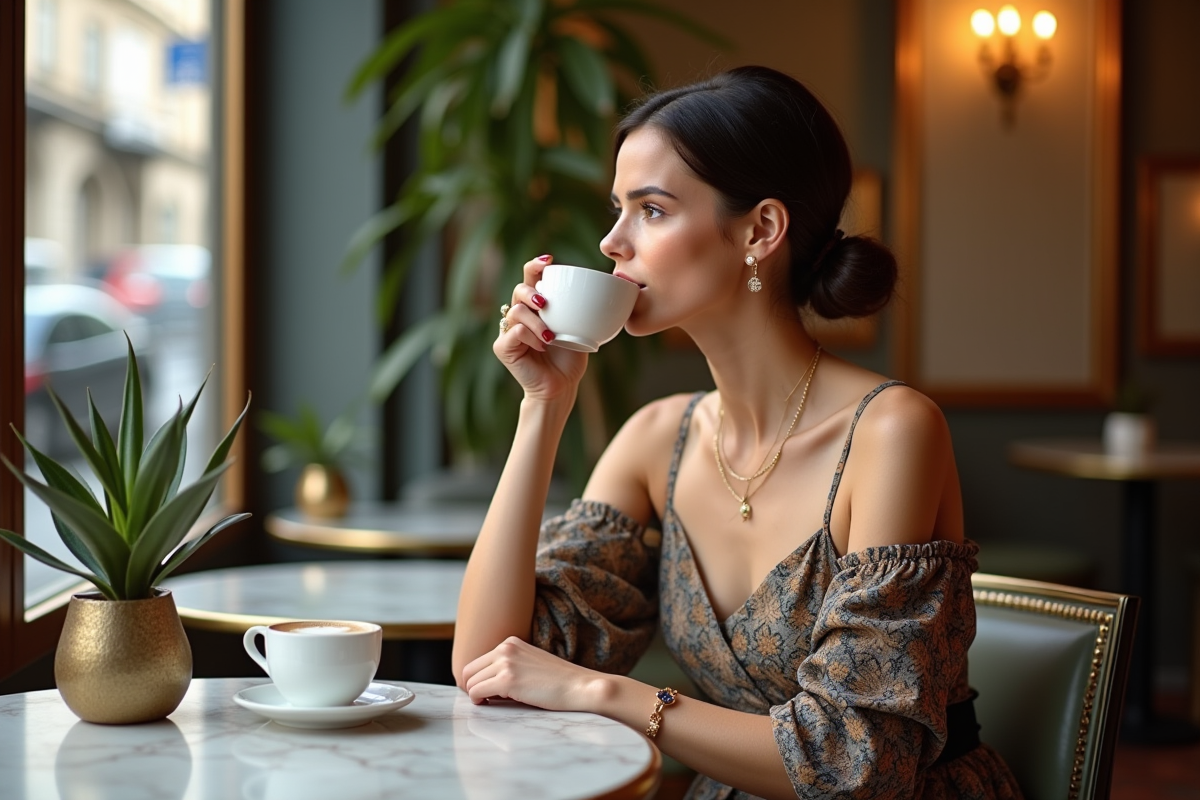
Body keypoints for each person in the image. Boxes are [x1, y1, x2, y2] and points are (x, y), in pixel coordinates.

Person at [451, 65, 1022, 800]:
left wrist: (604, 692)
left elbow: (857, 764)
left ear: (760, 231)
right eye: (618, 210)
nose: (612, 242)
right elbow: (491, 664)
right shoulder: (656, 439)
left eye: (651, 210)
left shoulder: (891, 432)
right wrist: (544, 405)